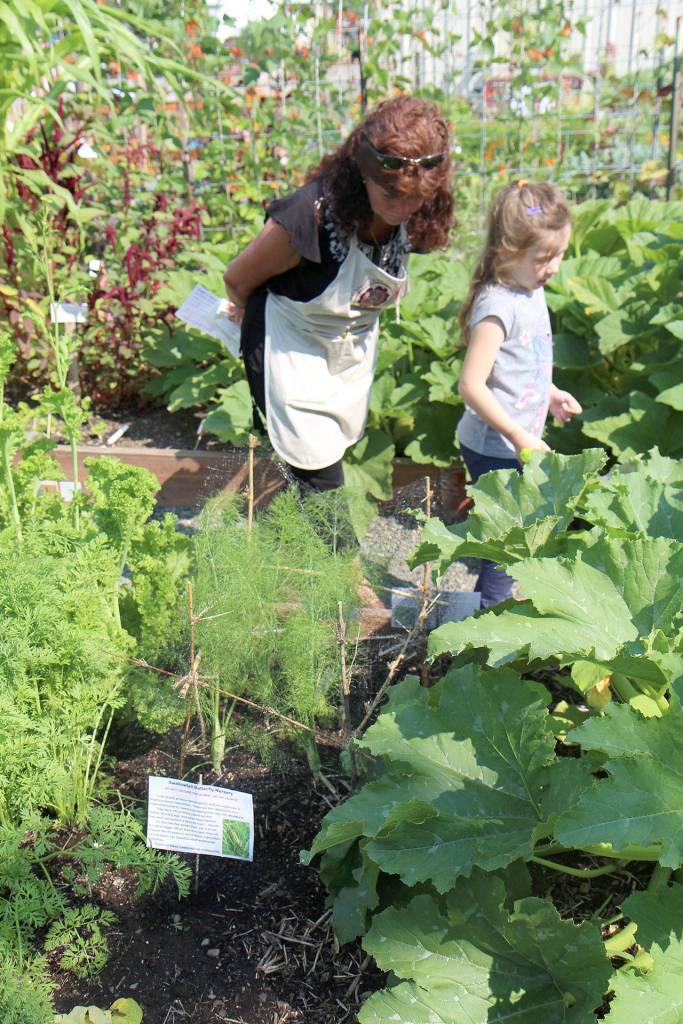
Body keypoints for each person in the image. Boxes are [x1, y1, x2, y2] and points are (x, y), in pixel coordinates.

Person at [222, 95, 454, 492]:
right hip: (289, 349)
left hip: (344, 355)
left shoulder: (413, 212)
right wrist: (242, 317)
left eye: (417, 197)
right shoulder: (306, 217)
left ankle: (284, 542)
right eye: (392, 195)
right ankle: (339, 554)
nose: (405, 207)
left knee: (314, 468)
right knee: (318, 477)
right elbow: (236, 278)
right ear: (362, 174)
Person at [456, 179, 582, 607]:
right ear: (508, 251)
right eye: (545, 258)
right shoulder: (497, 306)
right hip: (495, 445)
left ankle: (486, 616)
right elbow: (472, 385)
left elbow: (521, 365)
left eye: (559, 254)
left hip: (516, 442)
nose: (555, 267)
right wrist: (519, 434)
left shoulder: (532, 290)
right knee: (506, 543)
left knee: (510, 534)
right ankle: (488, 628)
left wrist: (550, 393)